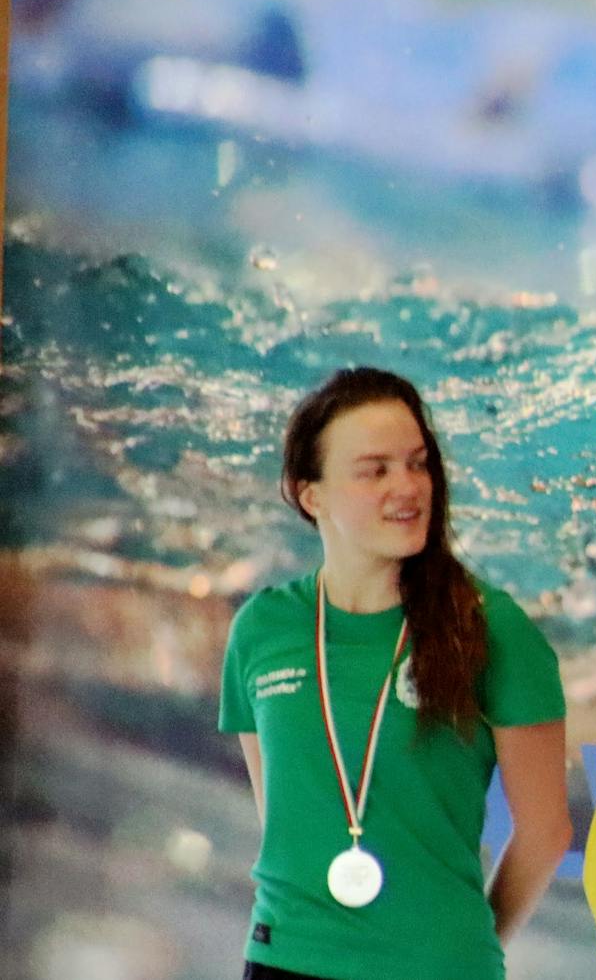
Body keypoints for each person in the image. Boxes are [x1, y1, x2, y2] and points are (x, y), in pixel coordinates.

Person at [218, 368, 572, 980]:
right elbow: (285, 822)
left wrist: (464, 945)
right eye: (375, 470)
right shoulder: (263, 630)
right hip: (285, 959)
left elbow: (546, 833)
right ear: (312, 496)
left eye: (417, 464)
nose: (407, 487)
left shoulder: (491, 628)